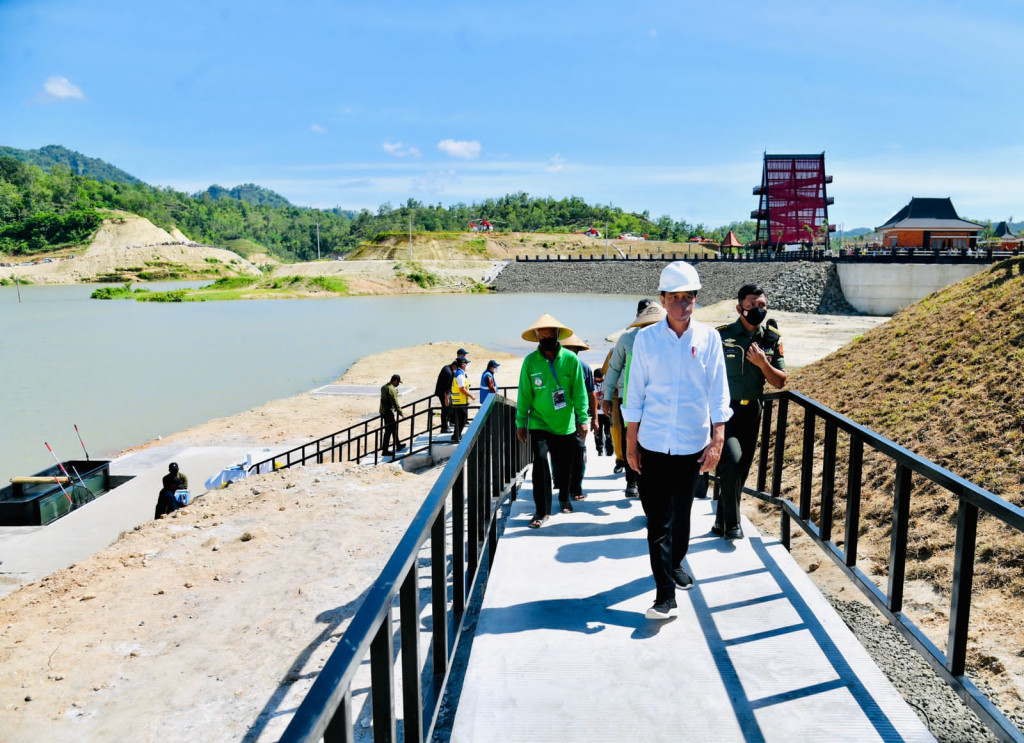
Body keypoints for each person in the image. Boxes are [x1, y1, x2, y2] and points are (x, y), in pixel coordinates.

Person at [624, 261, 732, 620]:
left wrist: (717, 439)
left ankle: (675, 563)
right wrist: (631, 442)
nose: (682, 304)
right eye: (674, 297)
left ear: (696, 299)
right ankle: (664, 596)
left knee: (682, 516)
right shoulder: (646, 339)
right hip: (653, 442)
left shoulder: (709, 339)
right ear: (662, 299)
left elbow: (718, 392)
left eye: (688, 297)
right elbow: (635, 393)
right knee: (658, 521)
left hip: (692, 444)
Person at [714, 284, 787, 540]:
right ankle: (733, 525)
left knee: (741, 469)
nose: (758, 310)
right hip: (725, 410)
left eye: (762, 305)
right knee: (732, 461)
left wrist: (763, 363)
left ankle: (720, 521)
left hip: (753, 411)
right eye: (752, 305)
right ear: (740, 308)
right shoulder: (721, 336)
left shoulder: (770, 339)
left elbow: (780, 381)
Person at [515, 313, 590, 528]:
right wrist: (521, 422)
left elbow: (579, 391)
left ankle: (564, 497)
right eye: (542, 335)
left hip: (565, 423)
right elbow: (524, 394)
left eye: (550, 335)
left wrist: (583, 418)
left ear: (557, 335)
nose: (546, 338)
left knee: (564, 464)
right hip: (539, 421)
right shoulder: (530, 362)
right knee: (540, 462)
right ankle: (541, 511)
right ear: (537, 337)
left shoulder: (571, 359)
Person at [603, 299, 666, 496]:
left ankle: (651, 481)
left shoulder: (667, 336)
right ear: (638, 315)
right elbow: (614, 368)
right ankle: (632, 482)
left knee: (652, 439)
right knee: (630, 437)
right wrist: (606, 397)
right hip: (628, 396)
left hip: (656, 398)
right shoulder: (627, 338)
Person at [561, 333, 596, 501]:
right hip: (558, 417)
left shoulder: (584, 368)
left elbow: (591, 394)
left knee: (579, 449)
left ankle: (576, 486)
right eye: (567, 349)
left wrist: (594, 418)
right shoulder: (555, 366)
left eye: (573, 350)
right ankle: (562, 483)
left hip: (578, 416)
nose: (571, 352)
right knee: (561, 453)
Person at [450, 358, 475, 443]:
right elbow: (462, 389)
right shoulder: (460, 375)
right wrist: (471, 396)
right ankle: (456, 436)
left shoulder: (461, 373)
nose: (467, 365)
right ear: (463, 364)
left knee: (461, 420)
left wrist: (467, 399)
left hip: (462, 401)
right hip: (459, 402)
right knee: (462, 420)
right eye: (466, 363)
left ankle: (456, 436)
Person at [379, 374, 405, 457]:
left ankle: (398, 445)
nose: (398, 384)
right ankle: (385, 451)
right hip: (388, 413)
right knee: (388, 431)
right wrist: (401, 413)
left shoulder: (384, 387)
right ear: (395, 381)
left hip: (383, 411)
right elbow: (395, 402)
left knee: (394, 429)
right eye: (398, 382)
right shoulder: (391, 389)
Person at [592, 367, 613, 456]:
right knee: (598, 434)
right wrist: (597, 401)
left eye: (602, 379)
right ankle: (599, 450)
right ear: (595, 378)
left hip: (607, 412)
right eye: (599, 379)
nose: (601, 380)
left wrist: (604, 400)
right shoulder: (591, 384)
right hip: (597, 414)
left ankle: (610, 451)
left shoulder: (606, 382)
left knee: (608, 433)